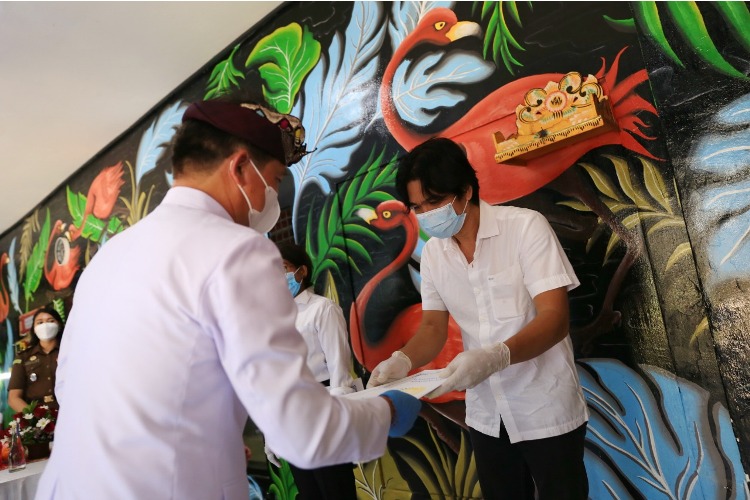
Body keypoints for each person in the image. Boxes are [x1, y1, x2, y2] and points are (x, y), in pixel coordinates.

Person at [35, 99, 421, 499]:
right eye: (275, 180)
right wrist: (387, 412)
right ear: (240, 168)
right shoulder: (237, 251)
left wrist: (206, 434)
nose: (274, 197)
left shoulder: (109, 256)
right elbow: (302, 432)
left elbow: (71, 387)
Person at [368, 138, 589, 499]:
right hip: (487, 413)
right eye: (417, 207)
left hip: (544, 405)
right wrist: (402, 360)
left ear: (465, 191)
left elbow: (554, 318)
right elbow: (432, 328)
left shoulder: (525, 228)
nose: (426, 214)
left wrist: (497, 356)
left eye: (435, 202)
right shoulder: (434, 255)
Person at [272, 242, 358, 499]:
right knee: (309, 491)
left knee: (335, 490)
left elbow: (340, 368)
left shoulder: (322, 309)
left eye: (283, 267)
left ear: (302, 271)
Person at [8, 306, 64, 412]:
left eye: (51, 321)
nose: (45, 325)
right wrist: (34, 418)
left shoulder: (69, 352)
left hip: (70, 412)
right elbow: (13, 397)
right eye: (40, 322)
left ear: (59, 325)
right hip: (38, 417)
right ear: (34, 328)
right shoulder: (23, 357)